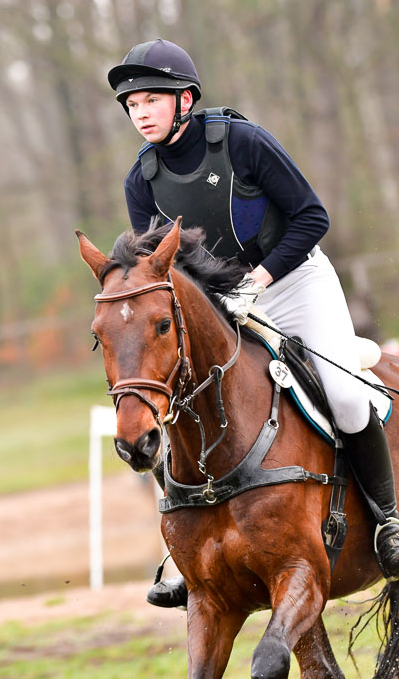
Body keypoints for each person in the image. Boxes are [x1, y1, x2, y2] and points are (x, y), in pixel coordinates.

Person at [107, 38, 399, 608]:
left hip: (293, 282)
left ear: (185, 99)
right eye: (131, 104)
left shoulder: (241, 142)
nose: (139, 113)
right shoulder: (140, 181)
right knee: (179, 400)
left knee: (341, 393)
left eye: (150, 100)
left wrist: (260, 279)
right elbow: (155, 268)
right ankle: (187, 552)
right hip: (218, 307)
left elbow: (313, 216)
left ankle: (390, 523)